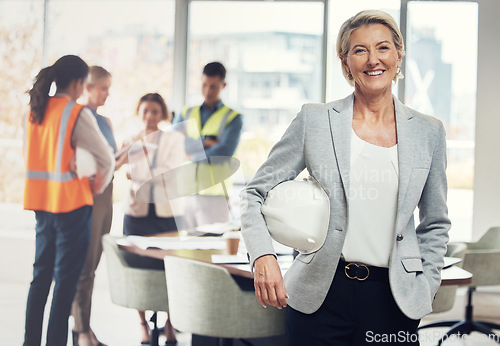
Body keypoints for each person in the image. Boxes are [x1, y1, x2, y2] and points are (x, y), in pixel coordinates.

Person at [240, 10, 450, 346]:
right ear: (345, 61)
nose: (372, 60)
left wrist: (426, 285)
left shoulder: (429, 132)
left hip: (394, 298)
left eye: (382, 48)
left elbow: (435, 221)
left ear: (398, 55)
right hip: (320, 296)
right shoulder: (315, 121)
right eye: (359, 50)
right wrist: (263, 255)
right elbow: (254, 193)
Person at [23, 55, 114, 346]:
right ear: (77, 83)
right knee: (64, 285)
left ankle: (31, 343)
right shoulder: (75, 113)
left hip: (41, 206)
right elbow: (106, 159)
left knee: (40, 280)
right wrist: (96, 185)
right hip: (72, 208)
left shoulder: (35, 110)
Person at [122, 93, 185, 345]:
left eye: (155, 111)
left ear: (163, 114)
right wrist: (143, 169)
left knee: (169, 270)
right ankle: (142, 324)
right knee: (139, 270)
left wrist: (141, 167)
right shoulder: (130, 140)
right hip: (137, 214)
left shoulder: (174, 139)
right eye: (145, 111)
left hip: (166, 215)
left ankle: (171, 323)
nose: (149, 116)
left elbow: (169, 173)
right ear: (139, 112)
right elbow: (127, 172)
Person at [71, 66, 118, 346]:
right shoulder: (77, 117)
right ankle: (82, 330)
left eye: (108, 88)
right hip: (87, 198)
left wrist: (122, 156)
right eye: (102, 88)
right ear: (87, 87)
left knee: (93, 263)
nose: (107, 94)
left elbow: (108, 159)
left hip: (107, 196)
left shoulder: (106, 121)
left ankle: (81, 324)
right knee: (84, 267)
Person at [173, 62, 243, 229]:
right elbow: (174, 143)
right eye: (204, 85)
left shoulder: (233, 118)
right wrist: (207, 142)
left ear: (223, 85)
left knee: (213, 248)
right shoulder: (186, 113)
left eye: (213, 86)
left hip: (215, 196)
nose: (207, 91)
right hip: (186, 193)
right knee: (183, 250)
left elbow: (223, 153)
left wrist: (191, 152)